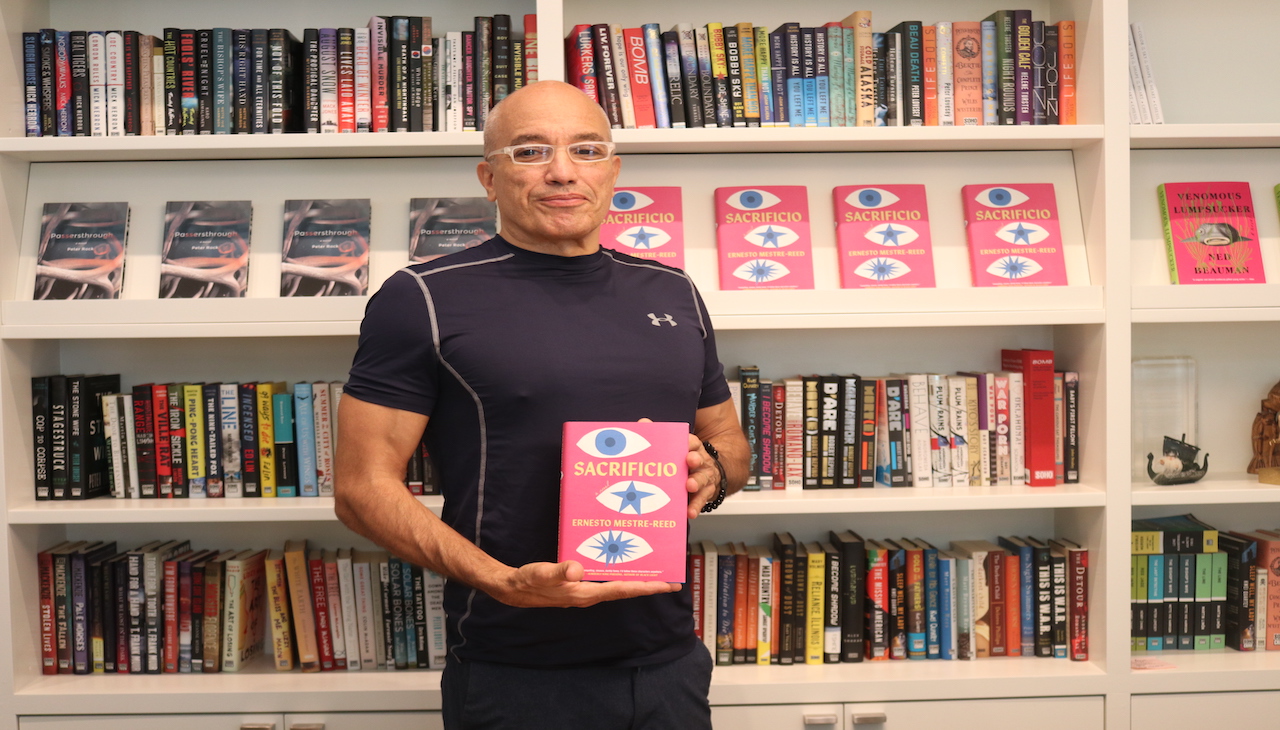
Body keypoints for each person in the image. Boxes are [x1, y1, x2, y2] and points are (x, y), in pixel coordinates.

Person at [335, 80, 748, 730]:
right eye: (530, 152)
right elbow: (360, 489)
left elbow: (730, 445)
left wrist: (712, 472)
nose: (562, 171)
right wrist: (499, 580)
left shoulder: (674, 291)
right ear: (489, 177)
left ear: (612, 170)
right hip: (514, 673)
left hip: (669, 663)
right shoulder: (423, 298)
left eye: (585, 150)